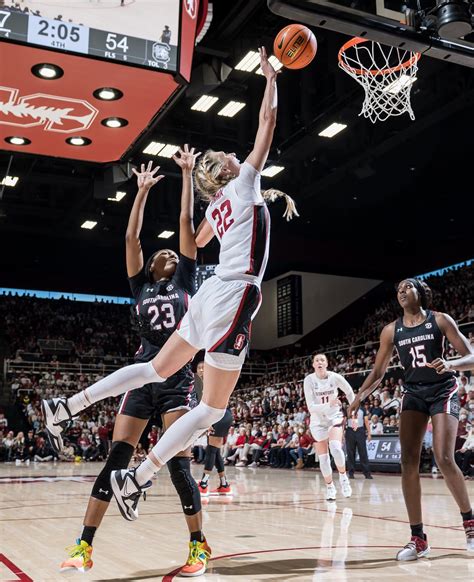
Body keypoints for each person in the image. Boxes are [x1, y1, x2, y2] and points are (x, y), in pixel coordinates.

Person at [43, 45, 297, 547]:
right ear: (226, 173)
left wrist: (249, 199)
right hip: (233, 295)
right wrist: (270, 78)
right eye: (227, 159)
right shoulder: (243, 181)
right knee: (210, 408)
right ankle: (139, 477)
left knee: (159, 368)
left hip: (208, 294)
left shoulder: (227, 200)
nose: (232, 155)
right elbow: (266, 124)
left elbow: (199, 238)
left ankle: (68, 406)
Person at [59, 147, 212, 577]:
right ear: (148, 267)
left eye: (171, 252)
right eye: (159, 253)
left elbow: (184, 226)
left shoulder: (185, 277)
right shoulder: (139, 288)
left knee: (179, 463)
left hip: (178, 378)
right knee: (116, 462)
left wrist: (185, 175)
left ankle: (199, 546)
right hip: (143, 377)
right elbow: (131, 240)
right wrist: (141, 193)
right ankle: (83, 546)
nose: (167, 253)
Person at [348, 278, 474, 559]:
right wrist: (359, 397)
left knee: (443, 456)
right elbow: (379, 372)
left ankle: (470, 523)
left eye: (407, 287)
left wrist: (451, 363)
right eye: (398, 290)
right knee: (408, 461)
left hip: (443, 389)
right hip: (414, 393)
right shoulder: (391, 330)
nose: (402, 291)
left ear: (421, 292)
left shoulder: (440, 320)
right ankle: (418, 538)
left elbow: (471, 356)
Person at [304, 353, 355, 500]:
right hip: (318, 422)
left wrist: (353, 414)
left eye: (322, 360)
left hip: (334, 417)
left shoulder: (335, 377)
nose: (319, 362)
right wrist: (329, 404)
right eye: (316, 360)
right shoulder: (309, 380)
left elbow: (350, 392)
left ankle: (344, 479)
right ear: (313, 365)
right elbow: (311, 407)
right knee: (324, 459)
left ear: (326, 363)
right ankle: (330, 487)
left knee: (336, 448)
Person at [195, 361, 233, 495]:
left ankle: (204, 483)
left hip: (220, 415)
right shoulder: (198, 384)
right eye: (199, 368)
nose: (201, 370)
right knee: (215, 451)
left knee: (211, 450)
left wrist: (208, 421)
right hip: (217, 416)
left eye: (203, 368)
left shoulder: (212, 382)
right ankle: (224, 484)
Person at [345, 402, 372, 479]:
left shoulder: (362, 409)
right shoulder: (348, 409)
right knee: (350, 452)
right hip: (350, 430)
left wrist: (369, 433)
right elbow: (344, 420)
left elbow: (366, 421)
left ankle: (367, 473)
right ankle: (351, 472)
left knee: (363, 452)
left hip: (360, 430)